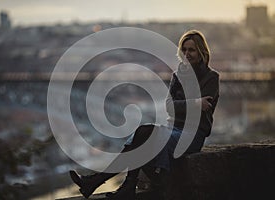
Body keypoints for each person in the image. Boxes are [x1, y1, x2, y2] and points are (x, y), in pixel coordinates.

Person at [69, 30, 219, 199]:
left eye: (191, 50)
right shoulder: (178, 76)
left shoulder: (211, 78)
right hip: (173, 128)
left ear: (201, 52)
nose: (186, 54)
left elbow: (200, 110)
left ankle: (101, 182)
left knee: (143, 136)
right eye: (183, 50)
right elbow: (169, 107)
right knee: (142, 133)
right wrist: (196, 102)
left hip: (192, 135)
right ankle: (122, 185)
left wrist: (191, 105)